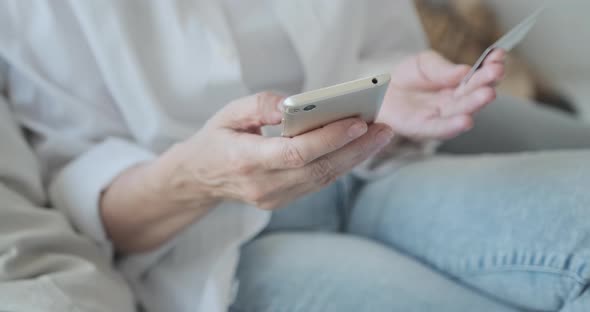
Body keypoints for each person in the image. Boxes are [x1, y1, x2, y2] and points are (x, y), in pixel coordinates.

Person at [0, 1, 588, 311]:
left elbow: (377, 48)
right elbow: (85, 211)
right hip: (211, 249)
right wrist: (200, 177)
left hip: (378, 162)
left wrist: (394, 81)